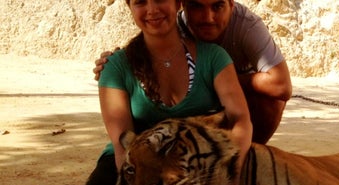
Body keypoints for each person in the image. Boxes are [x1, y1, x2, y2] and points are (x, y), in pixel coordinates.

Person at [0, 0, 251, 185]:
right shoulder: (116, 67)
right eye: (140, 2)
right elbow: (123, 146)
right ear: (129, 7)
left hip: (186, 165)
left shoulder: (213, 57)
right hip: (132, 166)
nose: (152, 9)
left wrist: (233, 174)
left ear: (178, 4)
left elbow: (241, 119)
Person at [94, 0, 292, 145]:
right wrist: (114, 64)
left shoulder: (247, 25)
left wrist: (222, 78)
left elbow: (281, 85)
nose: (207, 18)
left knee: (271, 100)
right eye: (197, 6)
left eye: (217, 6)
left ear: (231, 5)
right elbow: (147, 38)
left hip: (230, 95)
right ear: (183, 6)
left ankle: (251, 152)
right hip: (198, 107)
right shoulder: (173, 23)